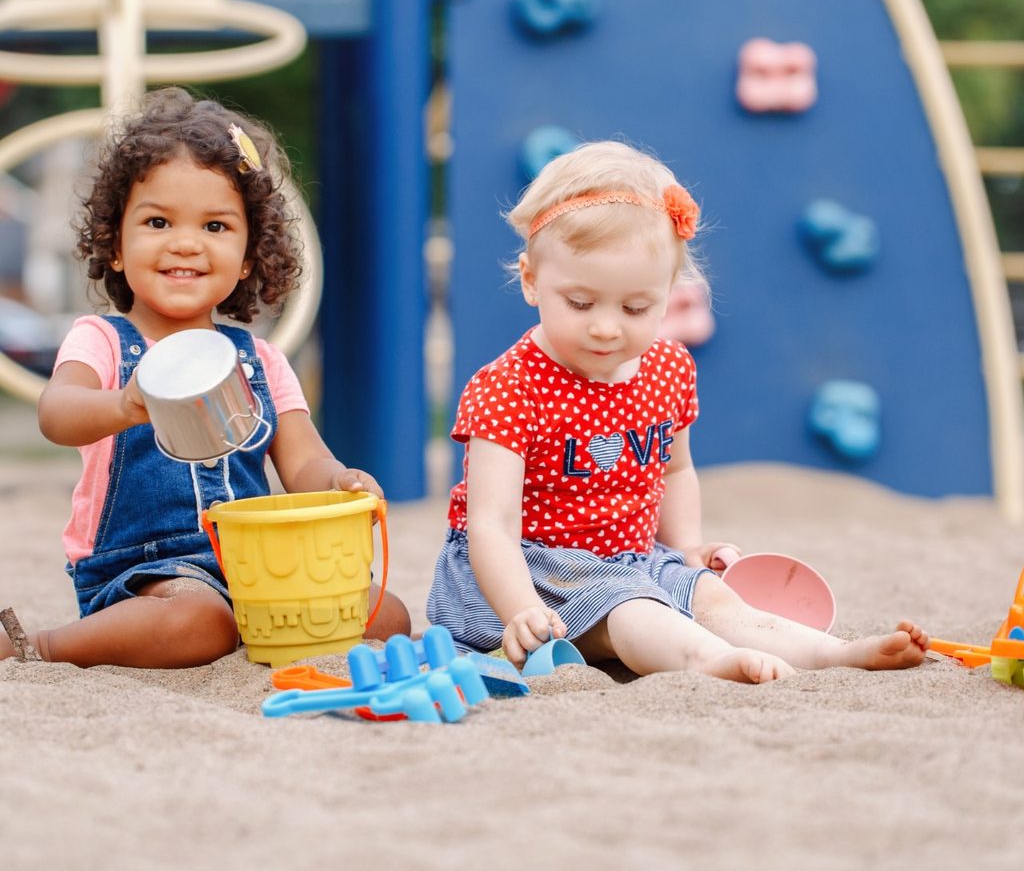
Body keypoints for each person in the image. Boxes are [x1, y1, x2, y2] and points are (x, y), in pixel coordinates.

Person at [427, 141, 928, 683]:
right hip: (530, 575)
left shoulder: (668, 369)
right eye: (580, 303)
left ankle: (833, 652)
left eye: (635, 307)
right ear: (531, 280)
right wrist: (520, 609)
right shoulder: (510, 387)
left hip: (634, 559)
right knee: (634, 611)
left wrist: (687, 546)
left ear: (668, 293)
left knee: (714, 597)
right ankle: (707, 661)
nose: (606, 327)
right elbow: (491, 524)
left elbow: (674, 470)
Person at [0, 87, 410, 669]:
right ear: (115, 245)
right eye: (158, 221)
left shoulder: (261, 361)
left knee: (385, 614)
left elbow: (303, 463)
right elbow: (57, 414)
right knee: (196, 621)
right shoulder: (104, 341)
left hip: (256, 564)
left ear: (248, 257)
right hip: (145, 571)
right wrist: (124, 405)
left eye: (215, 226)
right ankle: (42, 647)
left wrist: (341, 481)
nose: (186, 243)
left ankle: (248, 624)